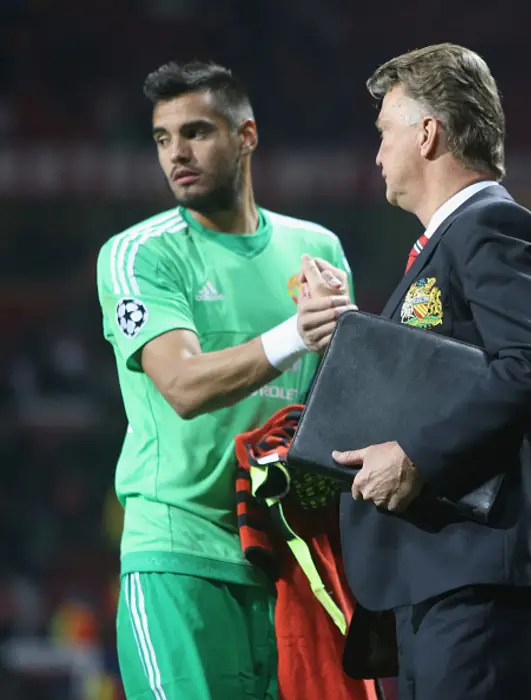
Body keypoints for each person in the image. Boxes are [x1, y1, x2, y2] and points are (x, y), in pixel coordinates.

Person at [324, 44, 531, 700]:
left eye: (384, 133)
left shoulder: (492, 225)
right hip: (441, 580)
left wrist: (415, 458)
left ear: (427, 133)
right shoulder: (445, 247)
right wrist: (349, 337)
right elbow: (441, 374)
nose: (377, 153)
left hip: (482, 581)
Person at [96, 60, 355, 700]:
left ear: (246, 137)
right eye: (162, 138)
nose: (176, 153)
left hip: (287, 563)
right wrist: (296, 334)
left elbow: (339, 403)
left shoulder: (314, 249)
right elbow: (181, 386)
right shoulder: (139, 253)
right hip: (177, 558)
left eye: (196, 132)